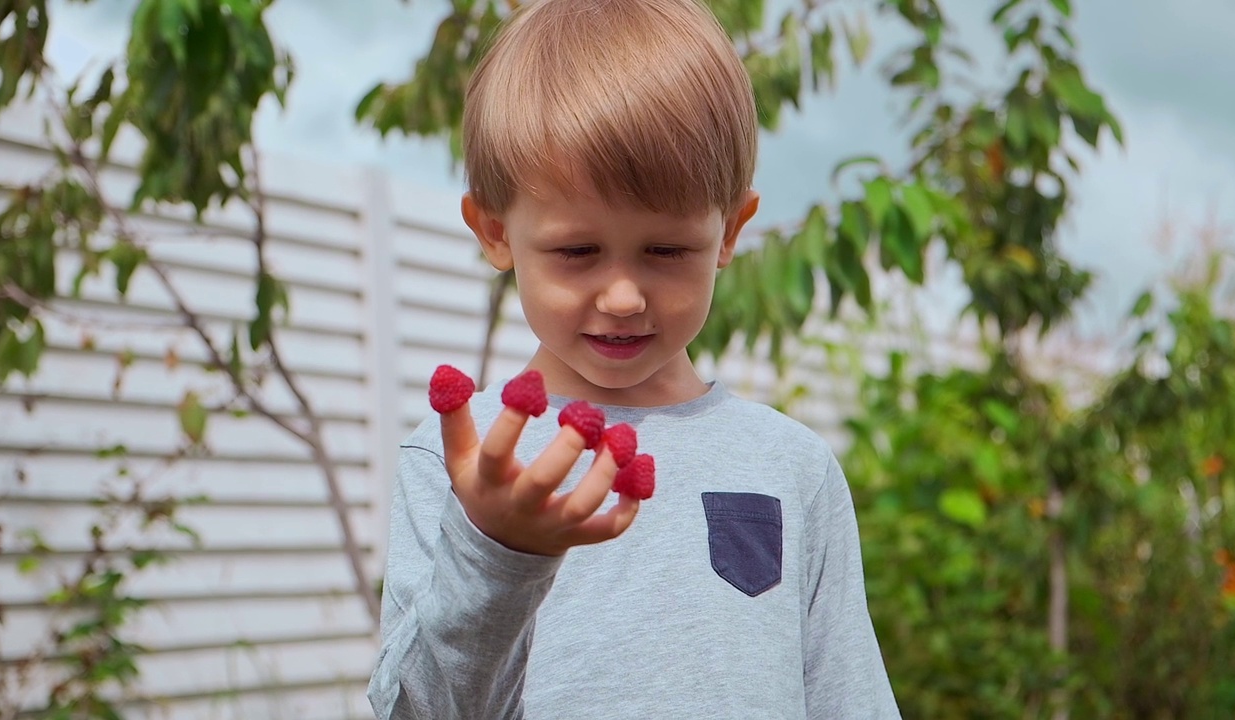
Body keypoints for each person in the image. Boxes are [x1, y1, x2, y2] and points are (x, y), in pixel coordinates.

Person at [367, 0, 901, 716]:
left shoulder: (792, 469)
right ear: (495, 232)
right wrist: (497, 555)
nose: (622, 296)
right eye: (576, 252)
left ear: (730, 233)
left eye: (667, 251)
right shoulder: (459, 462)